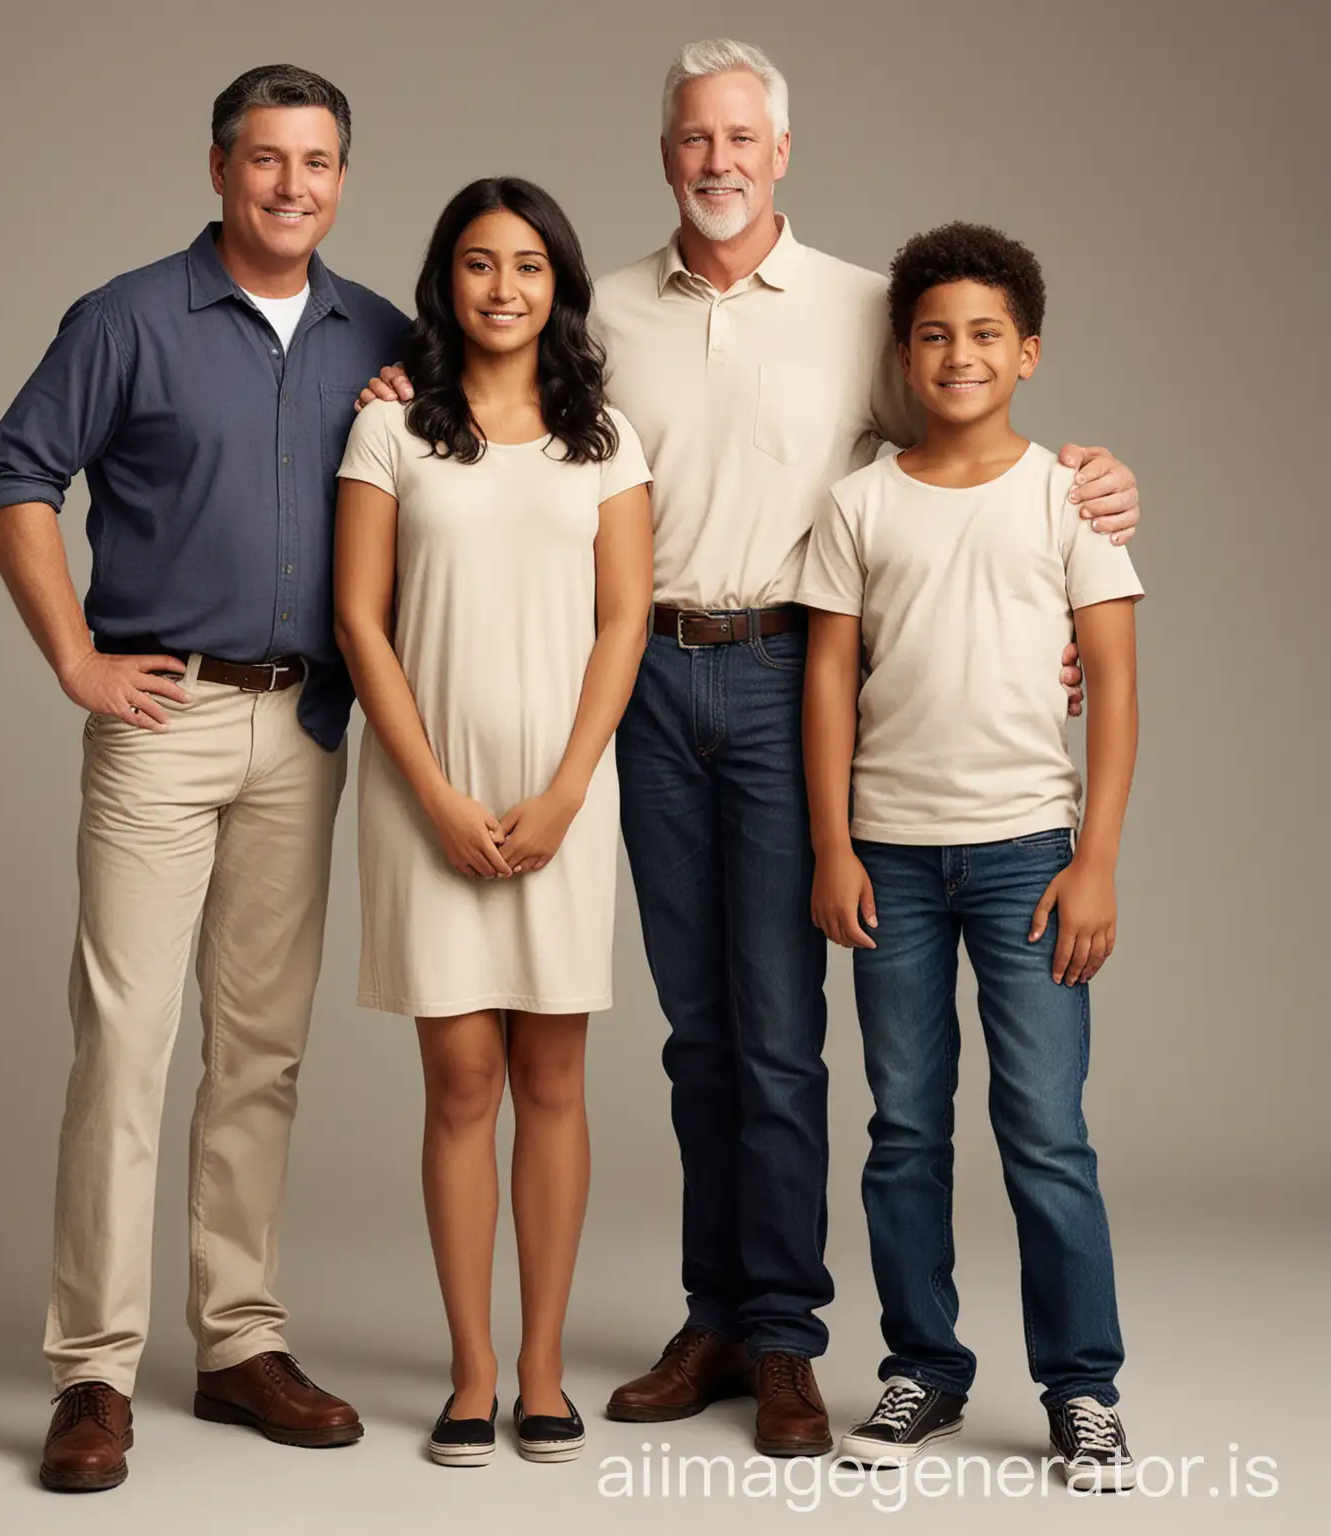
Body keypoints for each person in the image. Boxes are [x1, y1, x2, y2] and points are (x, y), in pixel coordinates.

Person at [360, 38, 1143, 1456]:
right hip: (638, 680)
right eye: (691, 140)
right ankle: (713, 1315)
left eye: (740, 139)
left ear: (781, 152)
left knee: (781, 1032)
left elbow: (965, 452)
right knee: (695, 1028)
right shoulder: (597, 312)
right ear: (666, 155)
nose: (716, 162)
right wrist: (384, 392)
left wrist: (1087, 482)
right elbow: (484, 398)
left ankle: (787, 1335)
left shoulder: (860, 310)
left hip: (792, 673)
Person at [0, 65, 409, 1491]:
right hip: (159, 721)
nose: (295, 186)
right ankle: (93, 1375)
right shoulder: (127, 319)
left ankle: (237, 1346)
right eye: (269, 160)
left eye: (321, 162)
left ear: (344, 178)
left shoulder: (383, 339)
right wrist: (75, 658)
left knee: (262, 1054)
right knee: (127, 1044)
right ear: (220, 169)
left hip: (308, 733)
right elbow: (15, 477)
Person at [802, 222, 1142, 1490]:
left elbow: (1112, 685)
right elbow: (828, 686)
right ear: (905, 353)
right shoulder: (860, 502)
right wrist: (832, 846)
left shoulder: (1067, 495)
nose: (959, 355)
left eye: (986, 334)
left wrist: (1093, 858)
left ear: (1030, 353)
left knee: (1046, 1128)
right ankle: (923, 1370)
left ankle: (1084, 1386)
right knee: (902, 1128)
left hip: (1026, 861)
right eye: (935, 334)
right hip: (889, 856)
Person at [334, 177, 653, 1467]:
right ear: (445, 282)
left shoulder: (607, 439)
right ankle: (471, 1371)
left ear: (558, 285)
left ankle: (542, 1368)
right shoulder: (393, 433)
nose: (503, 288)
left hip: (564, 788)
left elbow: (625, 617)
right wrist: (437, 796)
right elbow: (361, 619)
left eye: (527, 265)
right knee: (462, 1081)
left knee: (555, 1079)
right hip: (431, 786)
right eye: (477, 264)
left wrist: (573, 786)